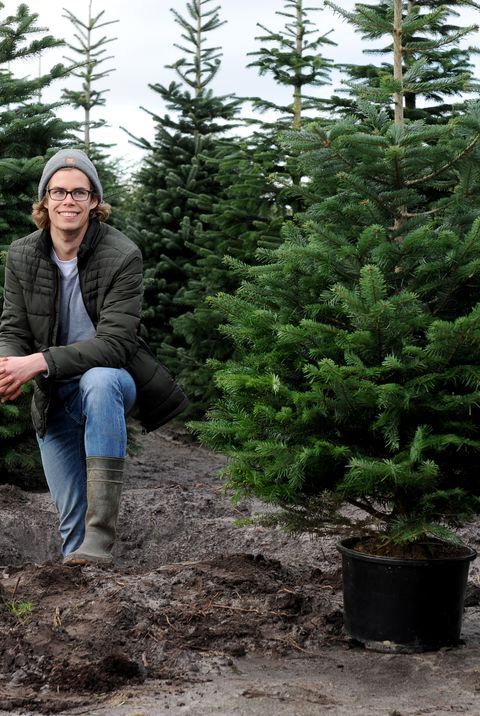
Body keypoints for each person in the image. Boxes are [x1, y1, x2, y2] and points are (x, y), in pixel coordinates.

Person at [0, 148, 188, 566]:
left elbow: (116, 345)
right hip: (53, 392)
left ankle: (102, 536)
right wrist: (8, 366)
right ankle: (87, 587)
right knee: (71, 529)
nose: (69, 201)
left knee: (99, 379)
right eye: (59, 191)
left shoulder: (122, 254)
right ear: (44, 201)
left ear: (94, 202)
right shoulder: (22, 255)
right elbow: (13, 328)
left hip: (110, 383)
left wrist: (38, 361)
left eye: (80, 193)